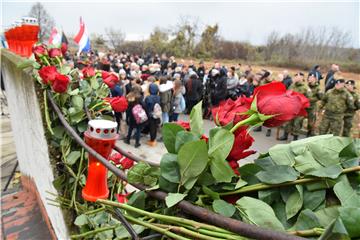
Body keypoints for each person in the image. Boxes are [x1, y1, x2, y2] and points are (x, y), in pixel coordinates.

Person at [279, 72, 311, 141]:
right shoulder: (292, 85)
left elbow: (309, 98)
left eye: (298, 77)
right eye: (296, 77)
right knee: (288, 122)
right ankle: (285, 135)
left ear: (302, 78)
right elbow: (288, 93)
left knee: (297, 123)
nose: (296, 78)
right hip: (291, 108)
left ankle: (295, 138)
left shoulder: (306, 88)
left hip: (300, 109)